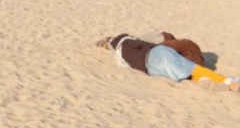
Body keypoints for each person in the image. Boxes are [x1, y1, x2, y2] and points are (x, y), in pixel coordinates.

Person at [97, 31, 240, 92]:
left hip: (149, 68)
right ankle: (229, 82)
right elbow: (143, 42)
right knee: (191, 67)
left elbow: (124, 65)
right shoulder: (129, 40)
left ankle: (201, 80)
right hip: (157, 53)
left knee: (181, 71)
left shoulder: (118, 56)